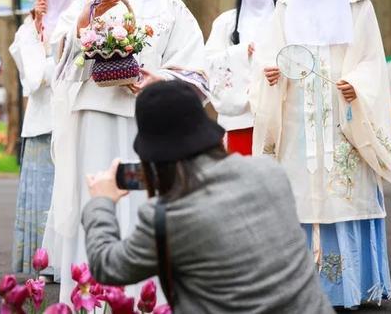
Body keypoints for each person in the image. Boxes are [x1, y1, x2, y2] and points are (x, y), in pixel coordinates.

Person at [43, 0, 208, 302]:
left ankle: (146, 298)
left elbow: (197, 70)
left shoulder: (173, 8)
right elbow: (58, 58)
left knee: (141, 201)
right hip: (95, 120)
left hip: (148, 123)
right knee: (99, 198)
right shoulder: (92, 0)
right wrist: (83, 28)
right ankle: (91, 297)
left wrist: (159, 79)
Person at [82, 80, 334, 313]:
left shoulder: (168, 216)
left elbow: (108, 266)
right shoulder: (270, 173)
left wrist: (101, 201)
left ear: (152, 156)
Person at [252, 0, 391, 309]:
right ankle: (298, 288)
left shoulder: (358, 3)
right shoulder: (284, 7)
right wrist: (270, 73)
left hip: (343, 119)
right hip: (296, 122)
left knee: (343, 198)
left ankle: (348, 286)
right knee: (298, 199)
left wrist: (357, 85)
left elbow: (372, 60)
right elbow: (270, 56)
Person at [8, 0, 82, 276]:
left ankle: (72, 260)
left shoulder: (85, 19)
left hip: (76, 119)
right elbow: (34, 80)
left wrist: (57, 63)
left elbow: (82, 69)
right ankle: (44, 261)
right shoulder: (27, 28)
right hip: (40, 124)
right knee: (45, 194)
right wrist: (41, 36)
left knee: (71, 191)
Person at [205, 0, 279, 155]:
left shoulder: (287, 19)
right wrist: (239, 53)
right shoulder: (225, 23)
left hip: (280, 117)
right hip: (240, 119)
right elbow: (208, 65)